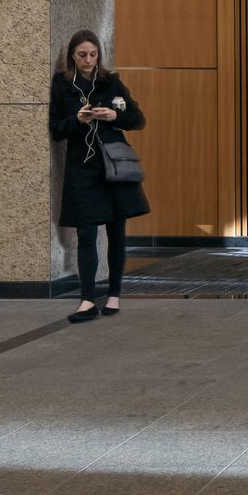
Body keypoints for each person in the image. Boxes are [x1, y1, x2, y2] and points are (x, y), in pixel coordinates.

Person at [49, 29, 147, 322]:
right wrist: (77, 119)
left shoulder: (111, 82)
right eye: (82, 55)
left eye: (93, 54)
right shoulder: (63, 84)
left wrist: (114, 116)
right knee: (86, 233)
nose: (88, 60)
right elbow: (56, 129)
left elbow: (138, 119)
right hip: (82, 168)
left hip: (112, 166)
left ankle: (114, 294)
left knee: (116, 231)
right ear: (72, 56)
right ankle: (87, 300)